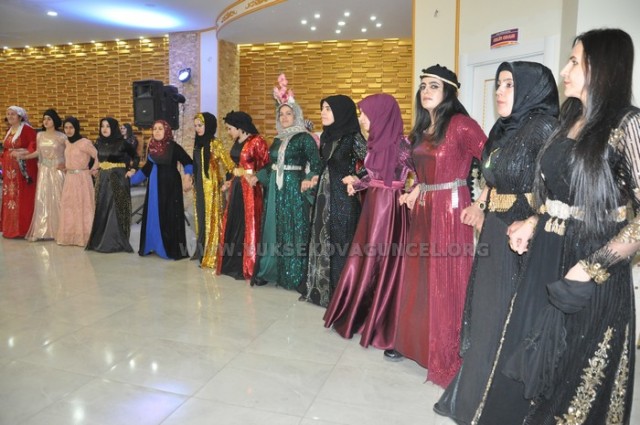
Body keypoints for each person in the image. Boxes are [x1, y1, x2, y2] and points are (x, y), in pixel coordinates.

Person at [473, 28, 638, 425]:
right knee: (527, 365)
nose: (564, 70)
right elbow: (560, 194)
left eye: (575, 62)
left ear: (603, 67)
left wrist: (593, 266)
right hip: (545, 256)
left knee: (574, 380)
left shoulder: (628, 123)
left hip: (591, 270)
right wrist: (533, 221)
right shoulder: (569, 118)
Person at [433, 61, 559, 423]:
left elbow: (560, 188)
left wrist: (533, 221)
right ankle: (473, 398)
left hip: (523, 238)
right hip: (494, 229)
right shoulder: (502, 129)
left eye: (509, 85)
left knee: (511, 320)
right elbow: (493, 178)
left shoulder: (545, 128)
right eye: (498, 84)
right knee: (487, 315)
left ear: (531, 90)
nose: (499, 92)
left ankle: (502, 407)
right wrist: (480, 204)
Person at [387, 65, 487, 388]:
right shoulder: (423, 129)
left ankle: (446, 352)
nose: (426, 91)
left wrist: (480, 203)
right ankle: (414, 343)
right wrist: (417, 188)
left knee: (445, 280)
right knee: (419, 277)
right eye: (424, 86)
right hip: (425, 208)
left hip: (450, 210)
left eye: (434, 86)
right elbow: (424, 170)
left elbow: (495, 163)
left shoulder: (461, 125)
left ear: (448, 92)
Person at [323, 93, 413, 350]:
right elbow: (373, 176)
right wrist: (358, 183)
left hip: (390, 209)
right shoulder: (374, 143)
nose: (361, 119)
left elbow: (420, 174)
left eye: (365, 114)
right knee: (365, 259)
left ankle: (382, 320)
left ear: (380, 116)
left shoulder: (402, 145)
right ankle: (361, 314)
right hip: (373, 206)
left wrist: (414, 191)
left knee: (383, 261)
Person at [301, 94, 368, 306]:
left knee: (340, 243)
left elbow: (373, 162)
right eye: (322, 108)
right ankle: (321, 290)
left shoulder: (352, 137)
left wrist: (357, 177)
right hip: (323, 196)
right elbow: (325, 165)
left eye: (328, 109)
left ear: (340, 112)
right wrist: (316, 176)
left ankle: (342, 295)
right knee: (322, 240)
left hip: (343, 199)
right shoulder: (327, 137)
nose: (323, 113)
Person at [251, 102, 322, 289]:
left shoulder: (304, 138)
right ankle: (269, 270)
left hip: (294, 188)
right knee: (272, 227)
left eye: (288, 113)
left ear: (296, 115)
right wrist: (258, 176)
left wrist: (309, 179)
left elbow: (317, 164)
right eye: (281, 114)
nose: (284, 117)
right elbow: (271, 165)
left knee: (293, 228)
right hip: (275, 189)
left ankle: (293, 274)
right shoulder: (277, 139)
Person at [127, 120, 193, 259]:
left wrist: (187, 176)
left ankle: (169, 249)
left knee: (169, 217)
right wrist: (129, 181)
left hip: (170, 187)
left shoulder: (173, 147)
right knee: (153, 215)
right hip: (154, 189)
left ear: (166, 131)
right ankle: (153, 245)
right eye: (155, 129)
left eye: (160, 129)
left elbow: (188, 161)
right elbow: (146, 170)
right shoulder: (152, 148)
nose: (157, 131)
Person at [217, 111, 270, 280]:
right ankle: (234, 263)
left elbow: (266, 165)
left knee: (249, 224)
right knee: (235, 222)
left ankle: (249, 265)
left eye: (230, 128)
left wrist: (256, 177)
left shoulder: (257, 141)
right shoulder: (238, 141)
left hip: (250, 188)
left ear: (239, 127)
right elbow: (237, 165)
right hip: (237, 186)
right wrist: (230, 181)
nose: (229, 132)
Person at [86, 117, 137, 253]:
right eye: (102, 126)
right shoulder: (99, 143)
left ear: (113, 128)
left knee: (115, 210)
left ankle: (114, 242)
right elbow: (98, 159)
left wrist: (132, 169)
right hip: (103, 178)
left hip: (118, 177)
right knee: (103, 209)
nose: (104, 129)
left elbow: (135, 156)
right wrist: (95, 169)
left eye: (108, 126)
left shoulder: (123, 143)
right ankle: (102, 240)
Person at [192, 112, 234, 268]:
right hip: (199, 186)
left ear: (208, 125)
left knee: (212, 219)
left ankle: (212, 255)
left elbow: (229, 164)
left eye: (200, 125)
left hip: (212, 186)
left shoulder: (215, 143)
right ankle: (202, 251)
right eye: (195, 126)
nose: (197, 128)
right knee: (201, 218)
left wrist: (229, 181)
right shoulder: (198, 143)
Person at [56, 116, 100, 247]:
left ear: (76, 128)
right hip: (69, 178)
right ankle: (70, 236)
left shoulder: (84, 142)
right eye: (66, 128)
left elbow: (97, 155)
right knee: (69, 206)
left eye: (71, 127)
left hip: (82, 179)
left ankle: (85, 236)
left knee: (83, 206)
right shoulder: (67, 143)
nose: (68, 130)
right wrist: (65, 167)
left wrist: (94, 169)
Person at [24, 109, 67, 241]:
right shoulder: (40, 135)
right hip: (44, 170)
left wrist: (67, 165)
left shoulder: (62, 137)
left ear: (54, 120)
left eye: (49, 119)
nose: (46, 121)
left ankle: (61, 231)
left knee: (59, 199)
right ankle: (41, 231)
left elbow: (69, 152)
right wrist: (25, 156)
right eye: (44, 119)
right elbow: (38, 152)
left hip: (57, 170)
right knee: (43, 199)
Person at [1, 106, 37, 238]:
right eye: (8, 114)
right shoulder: (9, 130)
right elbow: (6, 149)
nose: (10, 116)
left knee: (23, 197)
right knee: (10, 197)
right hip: (9, 171)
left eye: (13, 114)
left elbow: (34, 146)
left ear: (20, 117)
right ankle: (10, 229)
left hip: (23, 169)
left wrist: (23, 152)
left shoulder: (27, 130)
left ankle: (22, 230)